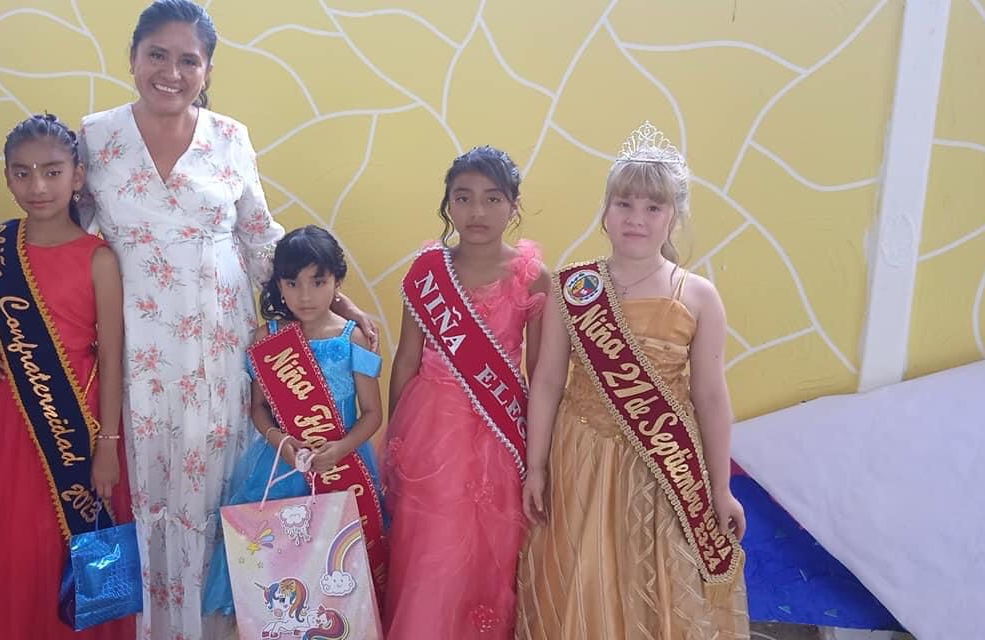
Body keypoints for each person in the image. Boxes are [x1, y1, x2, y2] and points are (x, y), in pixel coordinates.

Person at [78, 2, 374, 636]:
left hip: (217, 349)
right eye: (157, 55)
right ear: (132, 58)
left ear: (207, 70)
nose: (171, 72)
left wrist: (338, 303)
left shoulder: (230, 137)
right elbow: (71, 240)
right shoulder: (95, 137)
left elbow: (262, 241)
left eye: (189, 60)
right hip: (134, 350)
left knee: (217, 488)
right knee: (142, 487)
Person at [515, 122, 749, 639]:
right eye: (624, 203)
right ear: (606, 210)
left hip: (665, 465)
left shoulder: (699, 295)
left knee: (661, 576)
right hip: (581, 455)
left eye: (653, 206)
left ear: (674, 216)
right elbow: (548, 381)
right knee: (583, 575)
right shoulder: (574, 287)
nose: (636, 218)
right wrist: (536, 467)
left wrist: (720, 487)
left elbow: (711, 396)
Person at [0, 114, 134, 639]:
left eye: (52, 172)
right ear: (7, 177)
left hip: (82, 421)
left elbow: (113, 356)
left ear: (77, 176)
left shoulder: (98, 259)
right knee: (14, 541)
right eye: (22, 173)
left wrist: (107, 445)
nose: (38, 186)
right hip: (14, 419)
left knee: (77, 540)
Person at [382, 146, 550, 639]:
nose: (477, 211)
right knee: (427, 545)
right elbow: (407, 358)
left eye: (492, 198)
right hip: (430, 427)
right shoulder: (426, 272)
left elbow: (540, 374)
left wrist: (542, 454)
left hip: (500, 433)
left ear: (513, 205)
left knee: (493, 547)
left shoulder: (533, 277)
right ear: (448, 204)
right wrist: (395, 435)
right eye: (464, 197)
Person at [200, 225, 385, 616]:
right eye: (292, 283)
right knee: (275, 575)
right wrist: (280, 440)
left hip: (344, 466)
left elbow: (373, 413)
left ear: (337, 281)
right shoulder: (266, 338)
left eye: (318, 282)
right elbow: (258, 408)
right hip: (280, 467)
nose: (305, 295)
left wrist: (340, 449)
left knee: (340, 575)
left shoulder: (353, 339)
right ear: (278, 285)